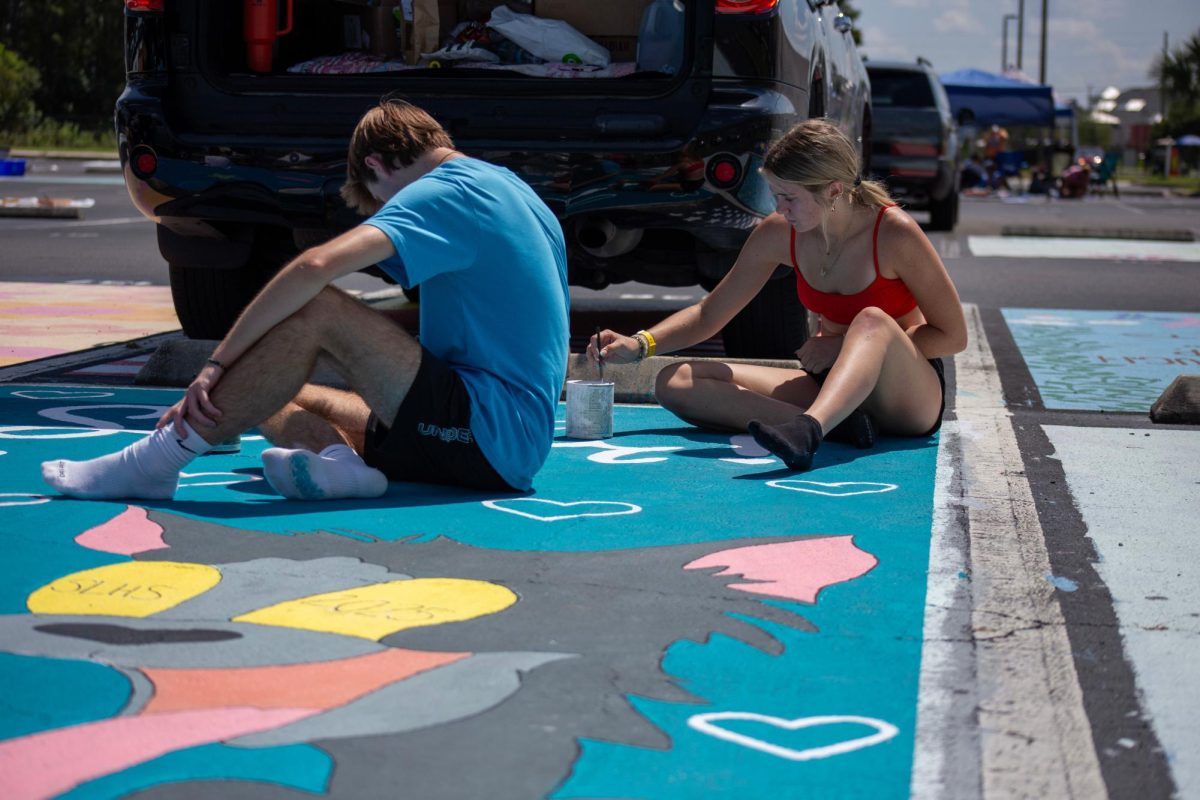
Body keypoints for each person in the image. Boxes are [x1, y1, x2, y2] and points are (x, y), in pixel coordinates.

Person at [42, 99, 569, 501]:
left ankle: (155, 461)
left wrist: (215, 365)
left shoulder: (447, 191)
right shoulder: (518, 193)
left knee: (318, 309)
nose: (392, 211)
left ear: (379, 165)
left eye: (383, 203)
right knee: (274, 390)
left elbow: (313, 268)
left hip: (485, 433)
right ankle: (343, 466)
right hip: (498, 439)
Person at [589, 119, 967, 471]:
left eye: (789, 198)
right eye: (774, 195)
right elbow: (710, 313)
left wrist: (839, 346)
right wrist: (640, 345)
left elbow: (953, 336)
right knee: (675, 381)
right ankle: (837, 424)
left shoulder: (893, 232)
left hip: (907, 396)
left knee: (870, 320)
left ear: (834, 191)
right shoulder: (779, 232)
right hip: (833, 384)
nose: (779, 208)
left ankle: (809, 430)